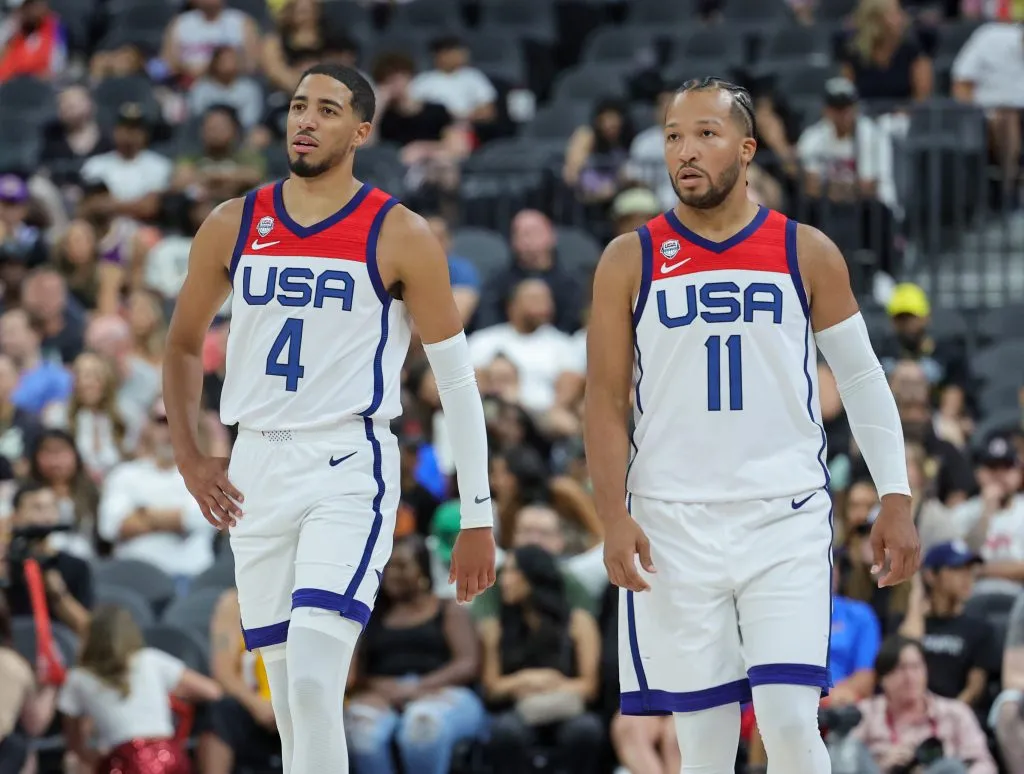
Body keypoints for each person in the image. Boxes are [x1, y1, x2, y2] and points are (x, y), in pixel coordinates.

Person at [162, 62, 496, 774]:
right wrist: (191, 458)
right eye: (297, 106)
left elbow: (458, 381)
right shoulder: (235, 221)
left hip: (347, 463)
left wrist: (478, 513)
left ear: (361, 131)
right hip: (253, 466)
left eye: (327, 110)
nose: (306, 120)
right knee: (288, 698)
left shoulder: (399, 232)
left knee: (316, 678)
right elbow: (184, 345)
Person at [584, 76, 920, 774]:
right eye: (675, 136)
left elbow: (860, 378)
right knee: (702, 744)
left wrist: (895, 493)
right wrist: (612, 516)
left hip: (784, 515)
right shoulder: (629, 258)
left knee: (791, 724)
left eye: (705, 134)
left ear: (747, 148)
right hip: (672, 522)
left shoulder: (806, 250)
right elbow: (606, 401)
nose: (686, 150)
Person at [58, 605, 222, 774]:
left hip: (124, 761)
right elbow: (213, 691)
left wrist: (92, 758)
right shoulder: (150, 659)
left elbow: (74, 742)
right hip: (170, 754)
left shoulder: (77, 678)